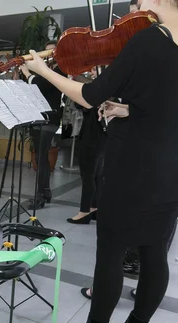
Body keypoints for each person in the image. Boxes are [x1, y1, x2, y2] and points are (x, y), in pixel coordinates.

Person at [23, 0, 178, 323]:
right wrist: (130, 109)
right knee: (154, 253)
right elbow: (176, 104)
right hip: (176, 169)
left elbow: (88, 96)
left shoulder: (150, 39)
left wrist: (42, 71)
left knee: (111, 251)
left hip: (132, 166)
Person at [19, 41, 65, 209]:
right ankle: (44, 192)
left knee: (41, 156)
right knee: (41, 156)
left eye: (50, 53)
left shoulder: (60, 70)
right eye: (45, 53)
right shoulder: (47, 70)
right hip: (39, 117)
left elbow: (41, 84)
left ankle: (41, 196)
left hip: (49, 119)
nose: (47, 56)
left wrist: (27, 73)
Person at [68, 69, 105, 225]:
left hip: (92, 134)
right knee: (97, 173)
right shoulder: (107, 85)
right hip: (102, 135)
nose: (91, 72)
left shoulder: (100, 87)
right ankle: (94, 207)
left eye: (94, 69)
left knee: (88, 174)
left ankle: (84, 212)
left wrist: (72, 84)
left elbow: (81, 102)